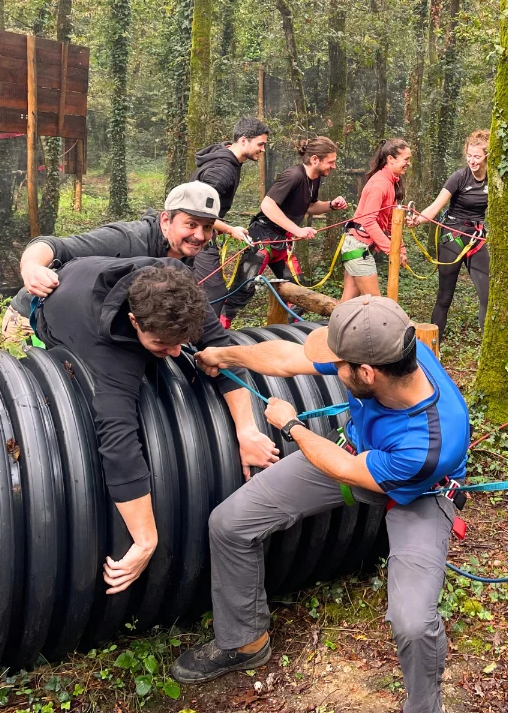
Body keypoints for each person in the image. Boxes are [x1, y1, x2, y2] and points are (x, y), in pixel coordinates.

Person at [172, 296, 469, 713]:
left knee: (413, 622)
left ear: (366, 373)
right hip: (356, 453)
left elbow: (347, 471)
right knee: (230, 522)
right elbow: (288, 358)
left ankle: (424, 708)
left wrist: (292, 426)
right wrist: (225, 354)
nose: (333, 367)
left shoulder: (431, 443)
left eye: (339, 364)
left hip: (420, 491)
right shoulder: (387, 351)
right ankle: (244, 641)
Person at [32, 257, 279, 593]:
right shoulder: (110, 352)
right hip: (55, 308)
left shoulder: (181, 289)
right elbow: (118, 442)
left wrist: (246, 430)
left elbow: (223, 350)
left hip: (93, 274)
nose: (177, 353)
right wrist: (145, 539)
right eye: (163, 344)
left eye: (181, 343)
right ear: (134, 321)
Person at [0, 181, 223, 336]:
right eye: (191, 224)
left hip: (93, 320)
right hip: (32, 319)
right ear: (166, 220)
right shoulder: (126, 240)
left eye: (207, 227)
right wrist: (31, 266)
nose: (199, 236)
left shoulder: (184, 253)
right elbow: (54, 245)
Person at [222, 136, 348, 320]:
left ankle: (287, 333)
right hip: (263, 239)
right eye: (331, 162)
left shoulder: (314, 179)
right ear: (315, 159)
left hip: (282, 242)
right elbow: (267, 205)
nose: (334, 166)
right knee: (242, 291)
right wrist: (298, 230)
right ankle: (218, 332)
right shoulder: (294, 175)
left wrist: (331, 205)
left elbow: (310, 206)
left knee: (298, 294)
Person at [191, 117, 270, 323]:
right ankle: (203, 336)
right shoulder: (222, 171)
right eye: (260, 144)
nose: (263, 149)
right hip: (193, 233)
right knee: (214, 291)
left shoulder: (226, 155)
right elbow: (197, 212)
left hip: (200, 230)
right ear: (243, 140)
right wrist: (229, 229)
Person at [413, 129, 489, 336]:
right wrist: (418, 220)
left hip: (476, 238)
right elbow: (436, 206)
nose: (472, 161)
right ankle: (433, 346)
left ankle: (488, 346)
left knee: (487, 296)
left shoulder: (493, 179)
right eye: (469, 155)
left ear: (486, 157)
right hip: (453, 236)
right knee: (445, 296)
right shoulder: (459, 177)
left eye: (477, 157)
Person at [340, 138, 411, 301]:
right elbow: (369, 222)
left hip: (360, 247)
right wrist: (392, 251)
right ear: (391, 159)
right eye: (406, 159)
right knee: (376, 303)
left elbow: (392, 221)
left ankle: (336, 320)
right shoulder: (379, 184)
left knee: (348, 302)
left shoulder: (391, 182)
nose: (408, 163)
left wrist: (401, 248)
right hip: (357, 248)